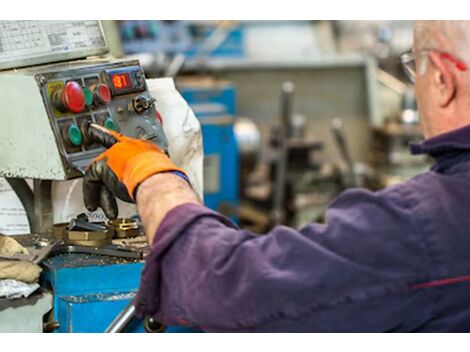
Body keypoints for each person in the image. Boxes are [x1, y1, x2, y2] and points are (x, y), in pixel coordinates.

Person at [83, 21, 470, 332]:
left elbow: (225, 288)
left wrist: (152, 174)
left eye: (413, 65)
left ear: (441, 79)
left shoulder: (426, 227)